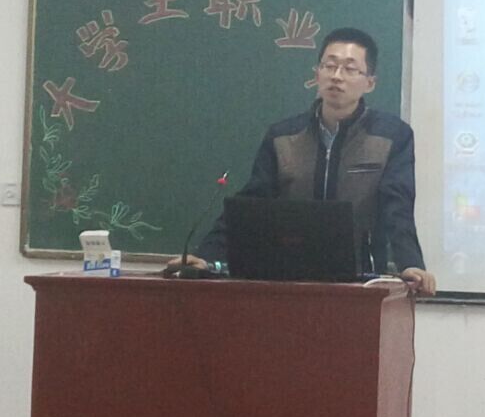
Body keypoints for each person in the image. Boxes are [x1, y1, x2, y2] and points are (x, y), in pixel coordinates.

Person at [165, 27, 436, 296]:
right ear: (317, 74)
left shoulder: (392, 136)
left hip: (362, 282)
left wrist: (411, 263)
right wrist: (206, 255)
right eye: (329, 66)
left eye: (350, 69)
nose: (337, 76)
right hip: (289, 278)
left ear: (370, 83)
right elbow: (251, 204)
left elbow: (397, 207)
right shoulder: (283, 136)